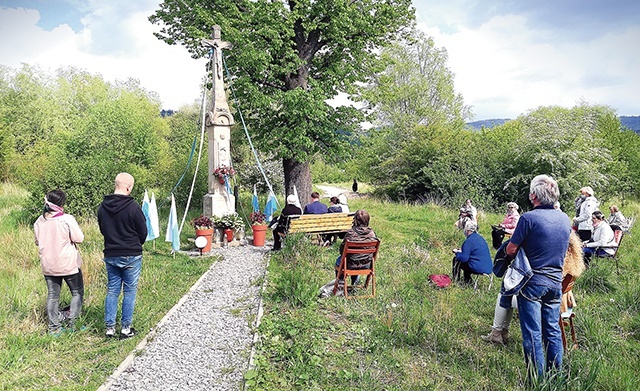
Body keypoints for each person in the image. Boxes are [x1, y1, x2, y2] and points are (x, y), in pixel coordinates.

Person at [506, 174, 571, 379]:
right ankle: (555, 376)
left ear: (533, 195)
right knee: (552, 330)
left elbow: (511, 249)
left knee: (533, 332)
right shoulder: (564, 218)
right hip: (555, 284)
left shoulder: (528, 218)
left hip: (532, 282)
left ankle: (536, 379)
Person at [481, 232, 584, 345]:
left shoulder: (556, 261)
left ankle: (497, 332)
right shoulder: (572, 260)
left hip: (549, 304)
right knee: (508, 294)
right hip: (564, 304)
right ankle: (502, 332)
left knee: (504, 295)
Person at [98, 172, 147, 339]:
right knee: (129, 291)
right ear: (128, 187)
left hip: (111, 253)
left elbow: (103, 229)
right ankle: (126, 328)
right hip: (131, 254)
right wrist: (136, 244)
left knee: (112, 290)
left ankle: (109, 328)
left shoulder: (102, 207)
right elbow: (143, 231)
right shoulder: (133, 207)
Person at [33, 190, 85, 334]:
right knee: (77, 293)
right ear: (62, 203)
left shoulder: (39, 221)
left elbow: (37, 241)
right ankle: (73, 326)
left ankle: (54, 328)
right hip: (68, 264)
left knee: (53, 296)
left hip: (48, 265)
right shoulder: (66, 219)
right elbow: (79, 238)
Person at [335, 210, 377, 286]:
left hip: (349, 264)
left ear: (355, 220)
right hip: (366, 264)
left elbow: (342, 250)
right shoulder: (372, 234)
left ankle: (341, 284)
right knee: (358, 258)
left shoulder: (350, 234)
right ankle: (355, 284)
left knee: (340, 260)